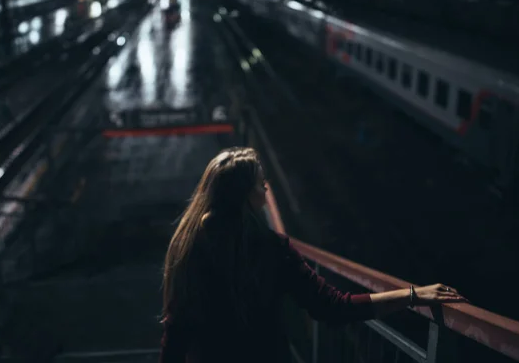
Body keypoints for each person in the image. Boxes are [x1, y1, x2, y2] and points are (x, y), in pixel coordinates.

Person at [160, 147, 467, 363]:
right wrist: (413, 295)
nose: (267, 189)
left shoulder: (188, 246)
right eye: (261, 184)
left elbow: (175, 334)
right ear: (245, 198)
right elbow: (334, 307)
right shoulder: (273, 251)